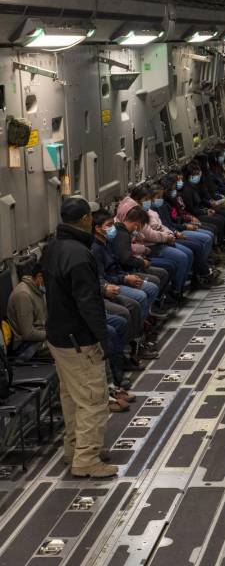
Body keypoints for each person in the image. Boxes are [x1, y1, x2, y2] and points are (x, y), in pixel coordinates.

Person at [41, 197, 116, 478]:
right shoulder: (80, 255)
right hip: (78, 340)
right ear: (85, 219)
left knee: (72, 397)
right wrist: (102, 338)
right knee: (93, 399)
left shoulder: (52, 248)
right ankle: (87, 459)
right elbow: (89, 303)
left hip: (58, 336)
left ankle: (75, 448)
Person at [6, 262, 48, 358]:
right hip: (27, 346)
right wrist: (52, 334)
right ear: (39, 277)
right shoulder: (23, 296)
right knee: (64, 347)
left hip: (39, 335)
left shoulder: (37, 289)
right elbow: (28, 334)